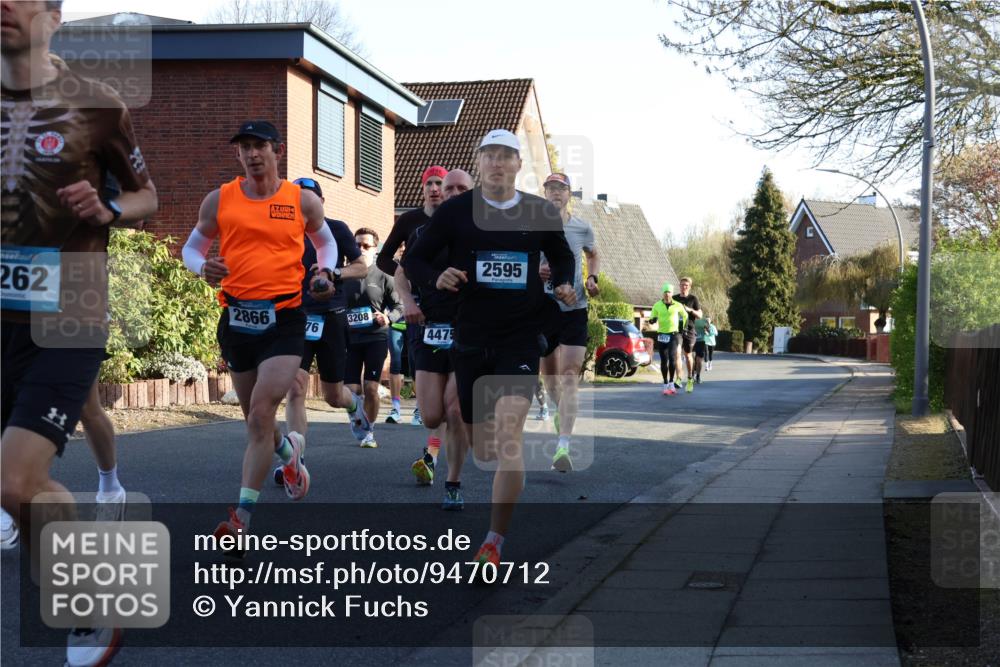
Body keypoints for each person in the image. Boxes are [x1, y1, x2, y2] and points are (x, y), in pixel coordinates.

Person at [1, 1, 158, 663]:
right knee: (21, 497)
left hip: (69, 315)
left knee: (14, 482)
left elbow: (150, 196)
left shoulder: (96, 104)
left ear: (53, 16)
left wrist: (111, 206)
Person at [403, 129, 575, 571]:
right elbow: (416, 260)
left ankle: (493, 542)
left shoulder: (538, 211)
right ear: (479, 163)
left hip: (520, 335)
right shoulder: (457, 211)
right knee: (485, 447)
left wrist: (561, 282)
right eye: (490, 156)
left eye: (507, 156)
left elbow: (563, 256)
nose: (498, 163)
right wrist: (435, 277)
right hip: (470, 336)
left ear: (519, 165)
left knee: (509, 434)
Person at [182, 120, 337, 552]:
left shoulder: (300, 200)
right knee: (257, 418)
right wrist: (202, 266)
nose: (252, 154)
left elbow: (325, 244)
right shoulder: (220, 200)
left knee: (260, 413)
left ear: (277, 151)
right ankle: (289, 458)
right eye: (244, 148)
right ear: (238, 155)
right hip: (237, 319)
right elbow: (191, 248)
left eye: (260, 146)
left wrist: (322, 271)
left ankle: (240, 519)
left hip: (285, 318)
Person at [270, 177, 369, 484]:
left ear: (320, 203)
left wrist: (335, 273)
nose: (304, 205)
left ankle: (353, 404)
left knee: (332, 396)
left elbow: (361, 266)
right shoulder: (283, 232)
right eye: (299, 199)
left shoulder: (336, 229)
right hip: (294, 317)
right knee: (295, 388)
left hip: (331, 316)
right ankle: (296, 459)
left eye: (310, 198)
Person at [395, 168, 474, 508]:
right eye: (447, 187)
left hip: (468, 330)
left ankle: (453, 483)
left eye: (459, 188)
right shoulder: (424, 233)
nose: (451, 192)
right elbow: (402, 272)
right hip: (427, 327)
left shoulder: (486, 233)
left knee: (455, 410)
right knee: (431, 415)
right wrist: (409, 302)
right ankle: (434, 447)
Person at [538, 173, 600, 472]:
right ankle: (558, 412)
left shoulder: (582, 227)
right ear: (544, 193)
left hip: (575, 306)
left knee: (570, 373)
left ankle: (562, 446)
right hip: (543, 307)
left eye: (561, 189)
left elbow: (594, 254)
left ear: (569, 194)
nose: (555, 194)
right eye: (550, 188)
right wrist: (537, 273)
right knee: (550, 379)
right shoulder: (534, 225)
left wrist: (591, 277)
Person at [378, 167, 448, 427]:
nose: (434, 189)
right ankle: (422, 405)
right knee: (420, 354)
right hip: (416, 299)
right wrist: (401, 272)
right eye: (429, 183)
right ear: (422, 189)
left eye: (439, 183)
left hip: (450, 299)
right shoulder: (409, 220)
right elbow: (383, 257)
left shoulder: (456, 219)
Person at [344, 227, 402, 448]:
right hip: (350, 339)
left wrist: (387, 318)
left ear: (375, 248)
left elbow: (399, 305)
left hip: (375, 337)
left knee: (370, 388)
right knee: (350, 391)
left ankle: (369, 431)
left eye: (365, 245)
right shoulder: (344, 273)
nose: (360, 249)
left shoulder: (383, 274)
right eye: (357, 245)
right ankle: (358, 419)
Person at [648, 283, 688, 395]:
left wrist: (683, 328)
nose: (667, 294)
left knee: (672, 357)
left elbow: (685, 316)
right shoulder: (657, 305)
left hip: (674, 334)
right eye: (665, 292)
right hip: (662, 334)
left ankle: (671, 382)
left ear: (671, 293)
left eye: (669, 292)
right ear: (663, 293)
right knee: (664, 360)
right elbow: (652, 318)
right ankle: (665, 383)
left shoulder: (678, 305)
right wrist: (652, 320)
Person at [672, 277, 702, 393]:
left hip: (689, 330)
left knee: (688, 355)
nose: (683, 287)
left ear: (689, 287)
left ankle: (690, 378)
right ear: (679, 285)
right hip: (677, 330)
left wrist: (690, 310)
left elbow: (699, 315)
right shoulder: (674, 299)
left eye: (686, 285)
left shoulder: (693, 299)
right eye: (682, 285)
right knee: (677, 353)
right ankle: (678, 378)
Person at [693, 314, 717, 382]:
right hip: (699, 341)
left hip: (693, 341)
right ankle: (697, 376)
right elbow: (708, 330)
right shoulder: (703, 321)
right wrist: (706, 329)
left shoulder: (689, 318)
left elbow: (709, 331)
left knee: (694, 359)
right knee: (698, 359)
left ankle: (693, 376)